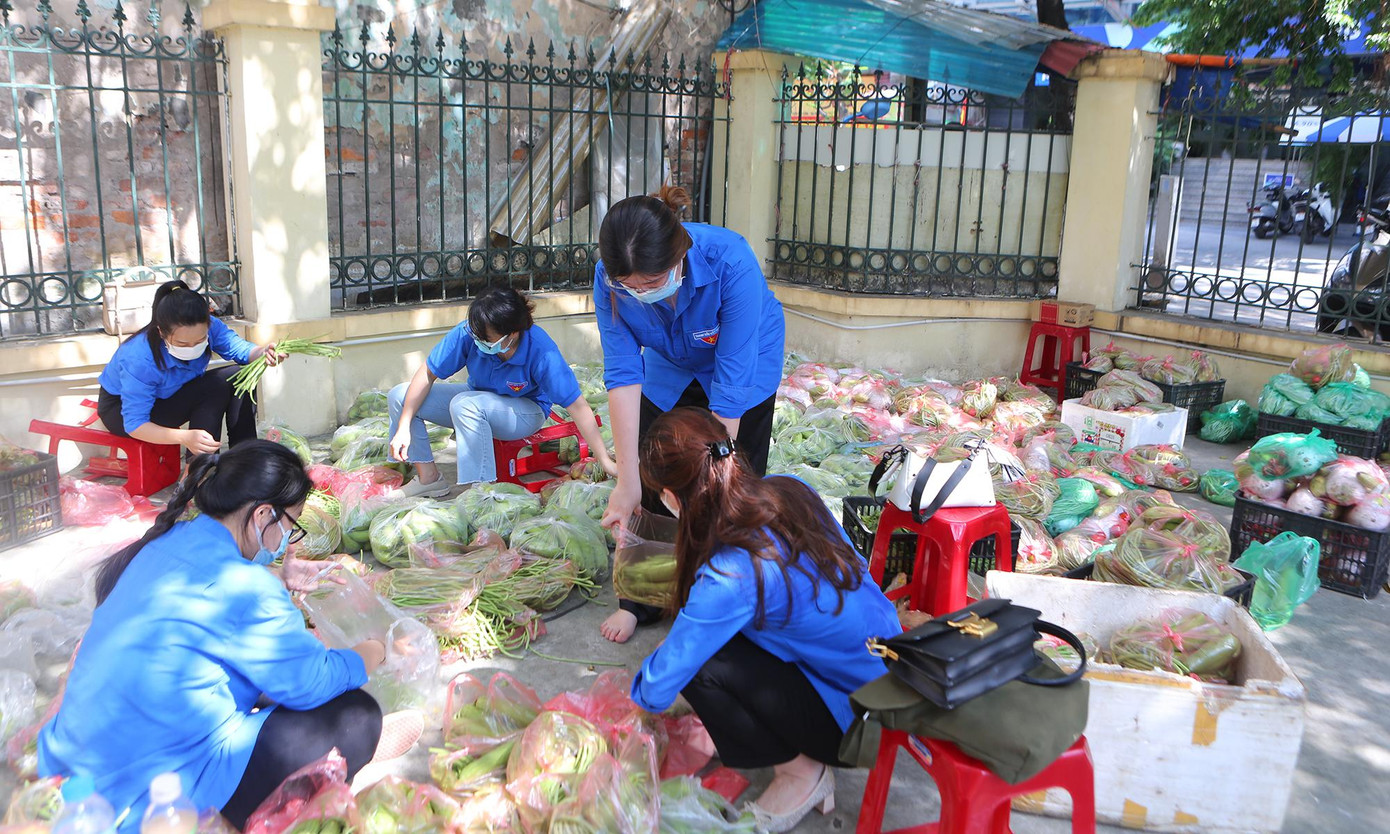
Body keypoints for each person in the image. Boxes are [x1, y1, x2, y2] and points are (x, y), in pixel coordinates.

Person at [38, 441, 420, 832]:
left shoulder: (161, 543)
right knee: (356, 715)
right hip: (153, 796)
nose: (290, 536)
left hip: (73, 764)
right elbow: (310, 682)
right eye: (292, 523)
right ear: (262, 515)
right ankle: (235, 815)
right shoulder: (247, 586)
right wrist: (375, 650)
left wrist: (279, 583)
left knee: (268, 684)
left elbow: (218, 626)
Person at [629, 408, 899, 833]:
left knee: (699, 666)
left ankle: (803, 774)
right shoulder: (791, 490)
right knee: (720, 643)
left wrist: (627, 716)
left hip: (862, 719)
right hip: (890, 673)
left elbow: (664, 679)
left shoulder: (731, 573)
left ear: (671, 496)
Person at [593, 186, 786, 642]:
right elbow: (622, 373)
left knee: (730, 484)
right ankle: (641, 599)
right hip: (671, 366)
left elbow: (731, 390)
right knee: (655, 471)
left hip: (743, 365)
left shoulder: (731, 263)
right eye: (630, 287)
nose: (640, 293)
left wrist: (709, 479)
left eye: (652, 282)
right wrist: (627, 481)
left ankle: (723, 595)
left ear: (678, 257)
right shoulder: (609, 278)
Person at [388, 287, 614, 497]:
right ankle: (429, 479)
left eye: (486, 339)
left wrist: (603, 459)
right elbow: (427, 373)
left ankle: (482, 494)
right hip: (477, 400)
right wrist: (404, 426)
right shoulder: (470, 333)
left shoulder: (541, 350)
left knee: (465, 404)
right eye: (476, 334)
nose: (478, 341)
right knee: (400, 396)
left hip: (526, 411)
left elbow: (577, 405)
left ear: (512, 334)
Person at [97, 280, 284, 456]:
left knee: (238, 375)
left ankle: (245, 456)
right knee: (214, 388)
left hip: (169, 397)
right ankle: (199, 469)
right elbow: (135, 424)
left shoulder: (210, 326)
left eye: (200, 340)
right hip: (122, 412)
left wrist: (264, 353)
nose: (193, 347)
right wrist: (185, 437)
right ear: (161, 332)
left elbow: (241, 350)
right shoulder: (139, 358)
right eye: (182, 343)